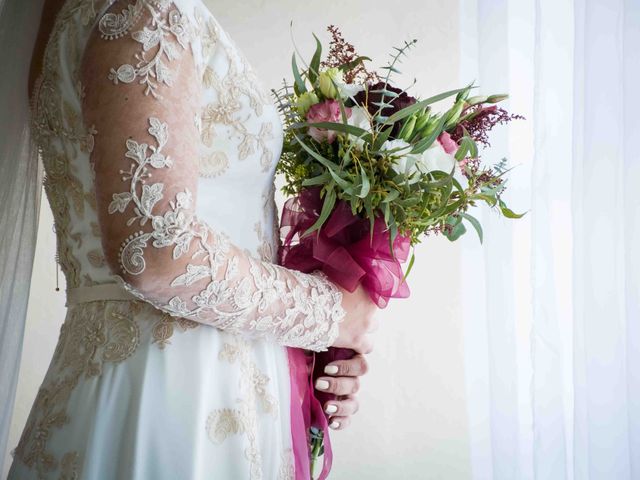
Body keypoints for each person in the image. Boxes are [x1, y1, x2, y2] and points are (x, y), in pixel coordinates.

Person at [7, 0, 378, 478]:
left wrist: (313, 348)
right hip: (172, 395)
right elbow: (157, 252)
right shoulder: (142, 11)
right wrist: (328, 315)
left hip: (191, 380)